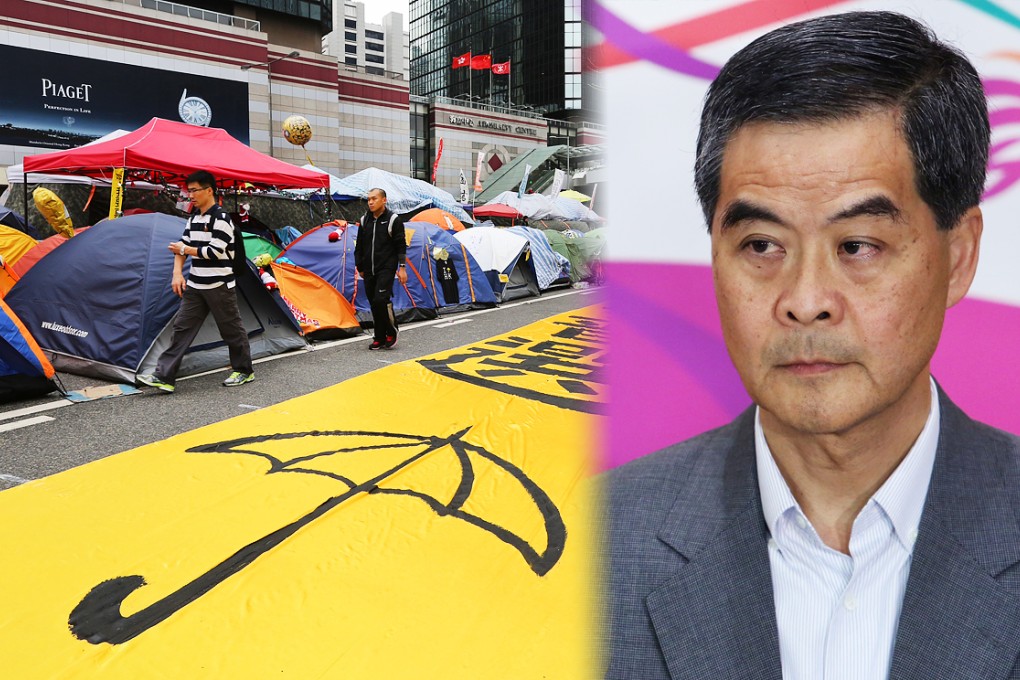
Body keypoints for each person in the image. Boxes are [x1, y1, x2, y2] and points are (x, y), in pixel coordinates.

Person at [603, 11, 1020, 680]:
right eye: (762, 246)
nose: (804, 299)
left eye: (858, 246)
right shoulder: (597, 539)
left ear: (959, 255)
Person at [137, 170, 254, 393]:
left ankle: (244, 370)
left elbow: (213, 252)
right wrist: (177, 273)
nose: (190, 195)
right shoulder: (194, 218)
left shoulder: (222, 219)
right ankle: (164, 376)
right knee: (181, 329)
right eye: (188, 191)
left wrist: (184, 249)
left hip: (219, 285)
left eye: (194, 190)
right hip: (196, 285)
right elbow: (182, 246)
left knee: (230, 329)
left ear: (209, 190)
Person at [354, 187, 407, 350]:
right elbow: (360, 246)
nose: (370, 202)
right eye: (369, 199)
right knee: (373, 303)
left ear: (384, 200)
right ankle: (379, 336)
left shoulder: (393, 220)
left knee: (381, 300)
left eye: (374, 198)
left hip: (386, 267)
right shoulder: (364, 220)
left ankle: (392, 331)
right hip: (369, 269)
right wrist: (360, 266)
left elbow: (400, 244)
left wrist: (402, 267)